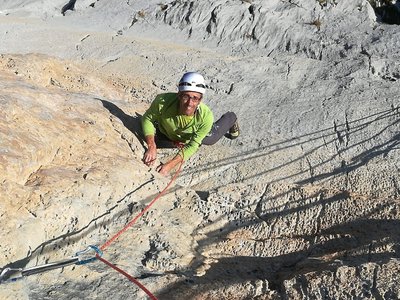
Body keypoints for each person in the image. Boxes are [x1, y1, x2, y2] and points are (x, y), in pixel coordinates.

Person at [141, 72, 239, 175]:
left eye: (195, 98)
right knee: (153, 137)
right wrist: (151, 146)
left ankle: (231, 118)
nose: (189, 103)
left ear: (200, 100)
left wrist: (170, 165)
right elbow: (147, 119)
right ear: (179, 95)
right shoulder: (162, 102)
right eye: (186, 97)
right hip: (167, 132)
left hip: (191, 134)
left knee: (212, 138)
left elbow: (193, 145)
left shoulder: (206, 116)